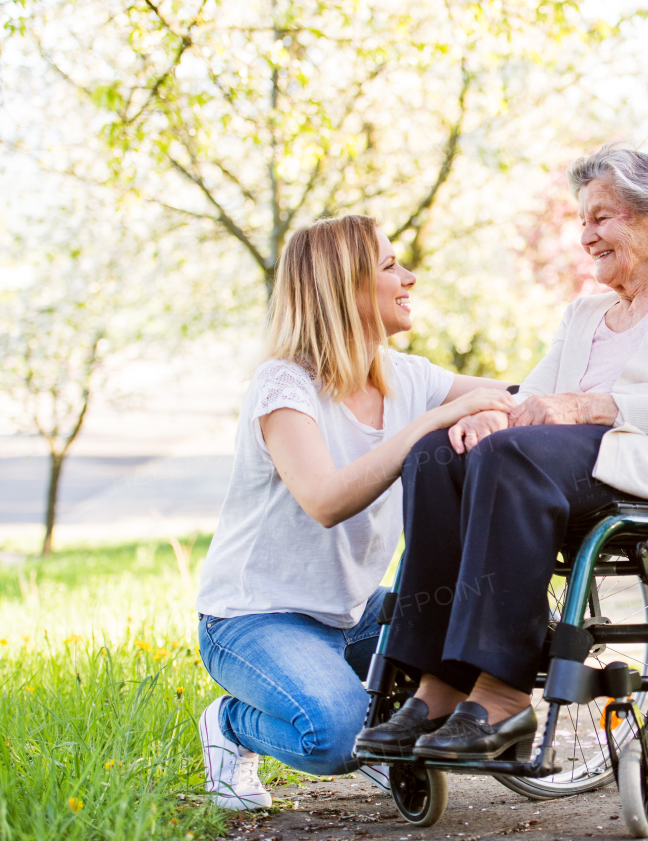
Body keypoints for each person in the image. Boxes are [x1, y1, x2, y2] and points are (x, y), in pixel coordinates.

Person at [355, 145, 648, 763]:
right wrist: (491, 411)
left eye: (602, 218)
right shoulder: (584, 313)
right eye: (582, 221)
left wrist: (592, 406)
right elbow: (532, 397)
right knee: (437, 454)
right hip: (560, 459)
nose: (586, 235)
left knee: (510, 458)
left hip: (640, 463)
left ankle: (504, 693)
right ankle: (440, 681)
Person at [195, 214, 513, 809]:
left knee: (468, 663)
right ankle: (230, 724)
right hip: (254, 619)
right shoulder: (284, 387)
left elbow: (510, 393)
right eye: (391, 267)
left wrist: (483, 410)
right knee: (336, 737)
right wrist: (430, 423)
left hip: (353, 614)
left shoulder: (409, 376)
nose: (410, 277)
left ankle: (374, 726)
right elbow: (325, 500)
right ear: (344, 289)